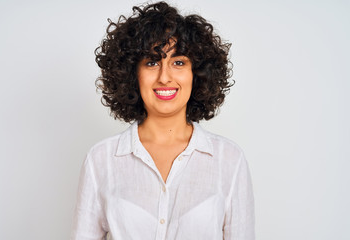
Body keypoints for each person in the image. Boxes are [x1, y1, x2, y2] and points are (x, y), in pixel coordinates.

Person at [71, 1, 255, 239]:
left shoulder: (229, 160)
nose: (165, 77)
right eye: (152, 62)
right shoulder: (101, 160)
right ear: (132, 74)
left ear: (196, 73)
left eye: (178, 62)